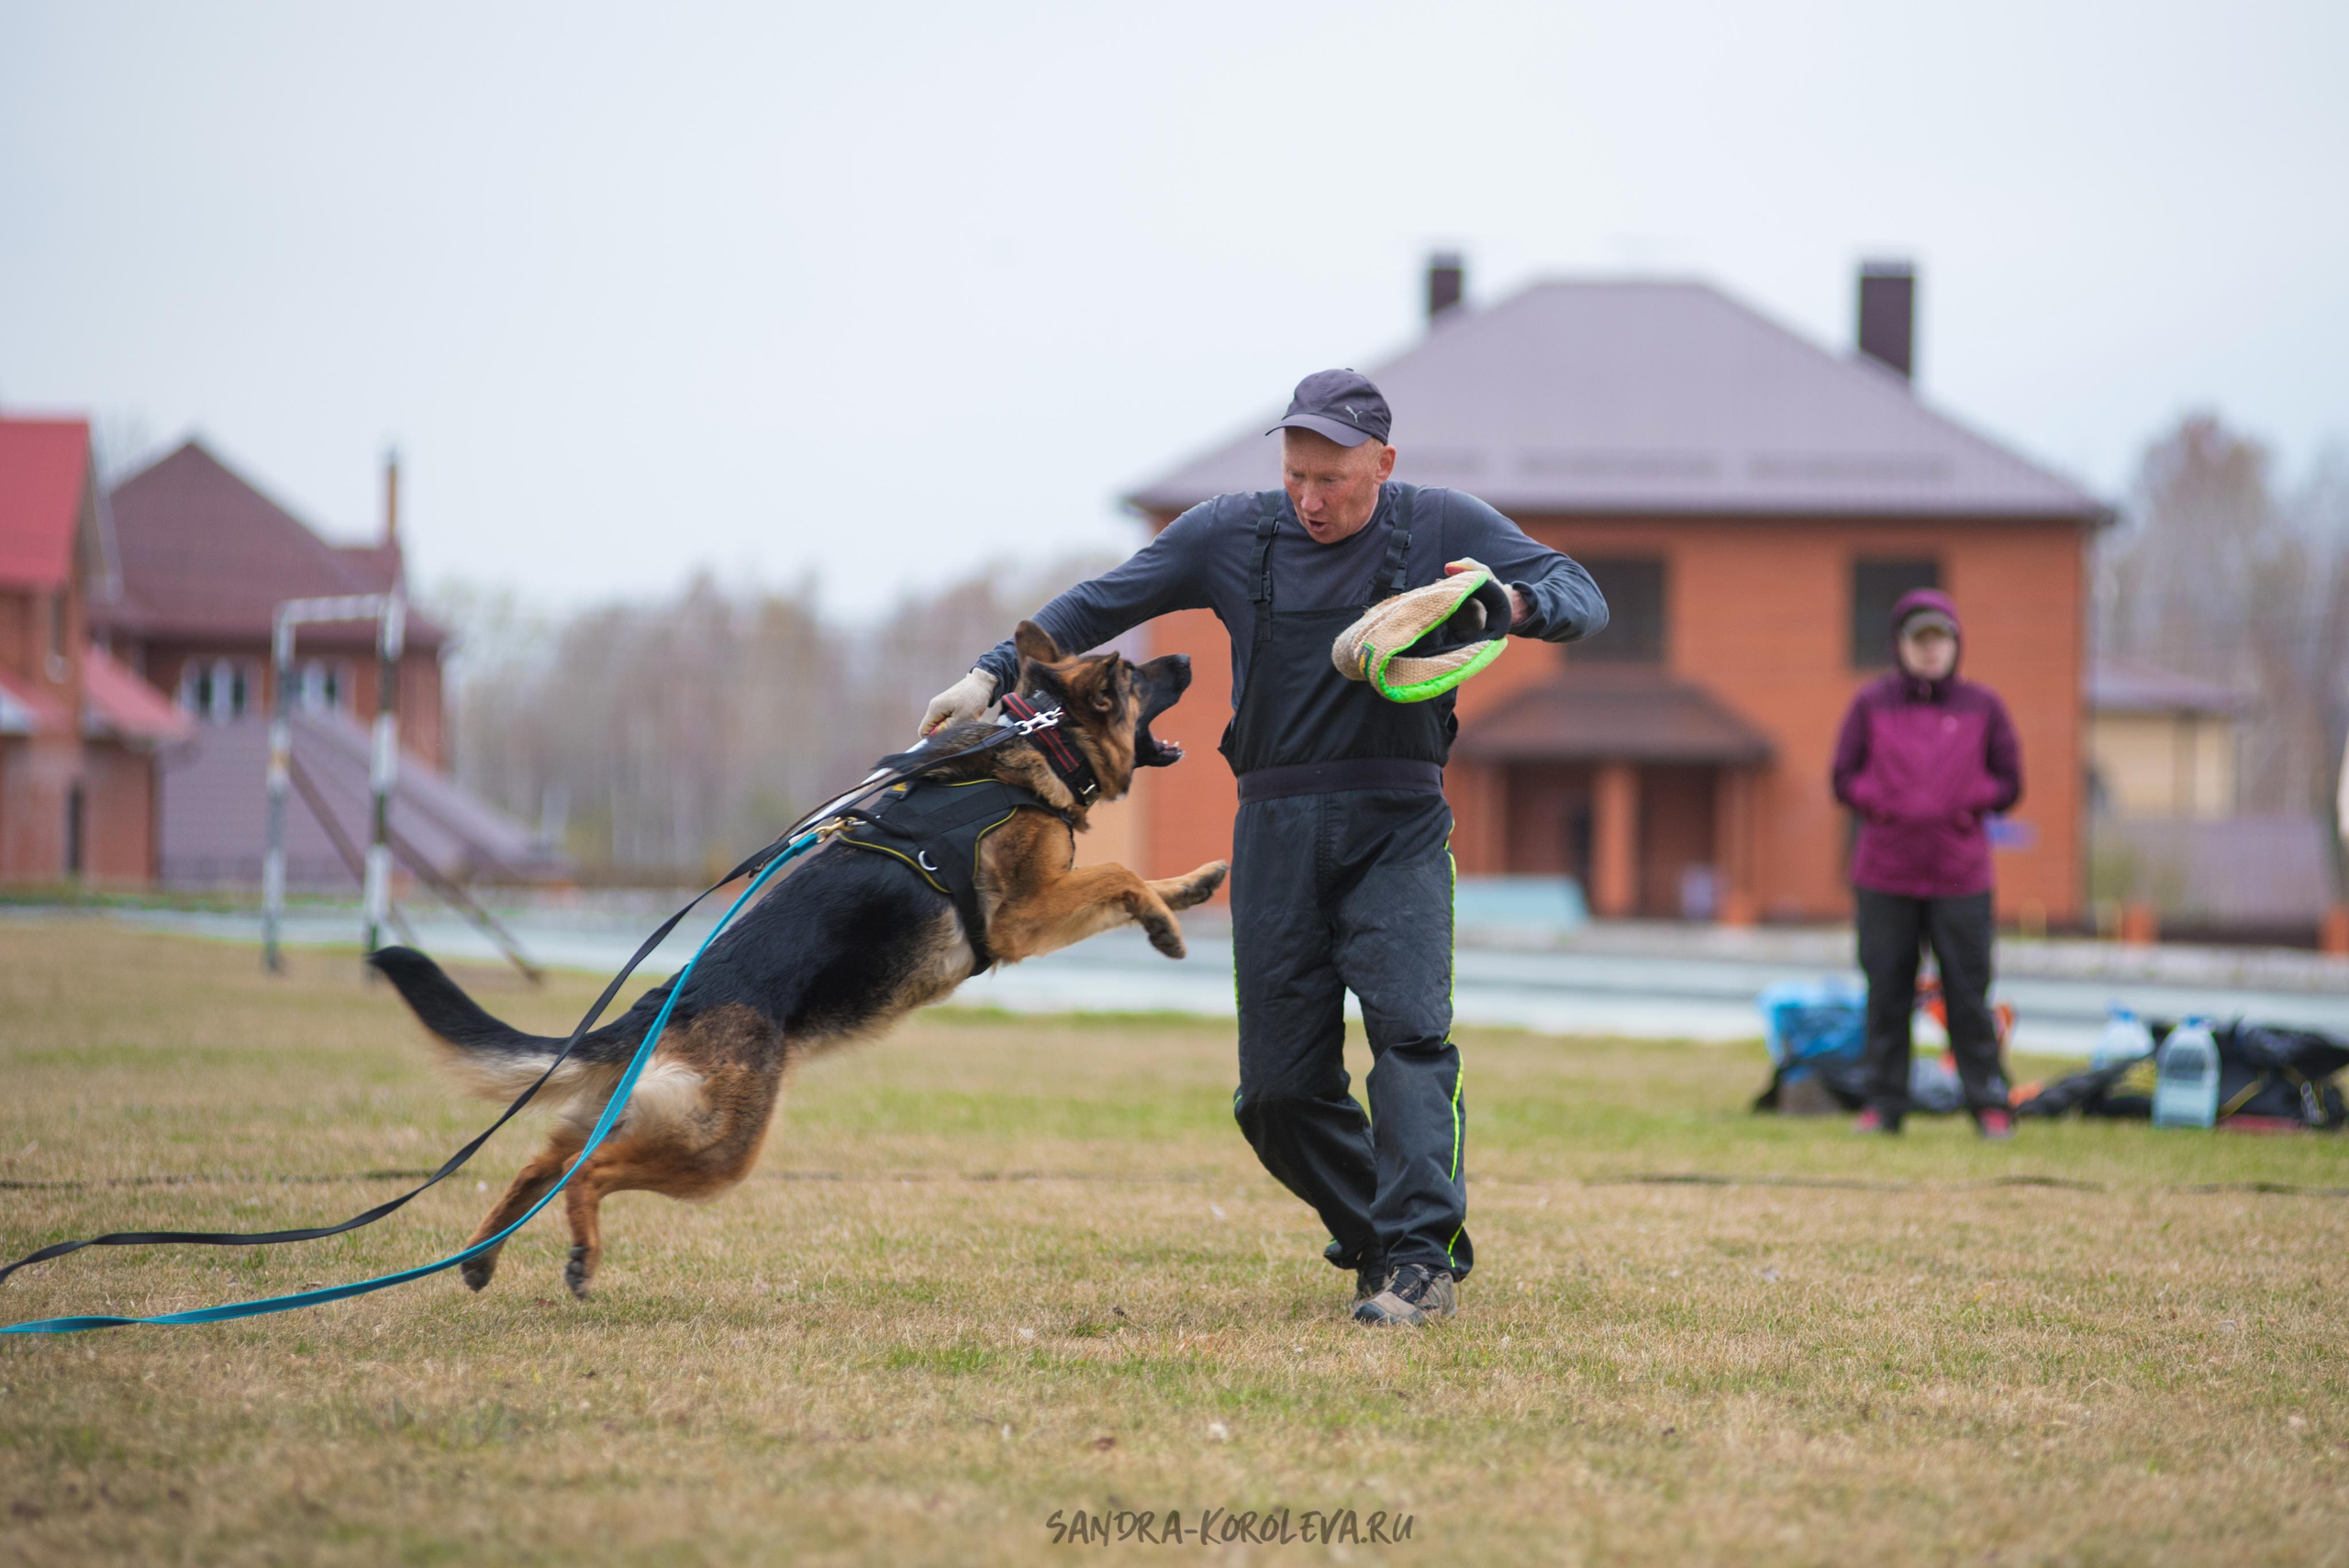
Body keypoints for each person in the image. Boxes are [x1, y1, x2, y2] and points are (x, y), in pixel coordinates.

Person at [920, 370, 1607, 1325]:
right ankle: (1377, 1235)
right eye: (1296, 475)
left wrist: (1506, 606)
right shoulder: (1228, 532)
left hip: (1399, 821)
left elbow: (1580, 591)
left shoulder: (1443, 524)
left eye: (1333, 479)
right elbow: (1097, 602)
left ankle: (1419, 1261)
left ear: (1384, 464)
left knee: (1408, 1039)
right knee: (1275, 1094)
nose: (1311, 498)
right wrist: (988, 675)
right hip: (1276, 825)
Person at [1830, 589, 2023, 1140]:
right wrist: (1888, 802)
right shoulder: (1870, 705)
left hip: (1960, 876)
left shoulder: (1983, 707)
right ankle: (1883, 1106)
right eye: (1920, 639)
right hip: (1884, 874)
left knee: (1968, 993)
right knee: (1886, 991)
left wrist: (1961, 800)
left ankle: (1988, 1102)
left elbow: (2010, 782)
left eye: (1940, 639)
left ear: (1956, 645)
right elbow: (1843, 777)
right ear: (1901, 646)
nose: (1931, 650)